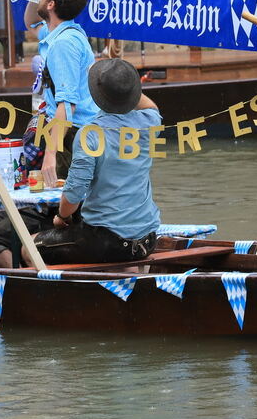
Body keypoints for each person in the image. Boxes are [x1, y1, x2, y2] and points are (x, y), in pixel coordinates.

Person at [25, 58, 160, 266]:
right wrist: (124, 86)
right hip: (147, 238)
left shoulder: (90, 134)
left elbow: (73, 195)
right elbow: (151, 105)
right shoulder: (150, 121)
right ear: (133, 93)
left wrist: (62, 217)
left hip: (106, 241)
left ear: (96, 95)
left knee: (28, 248)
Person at [23, 0, 99, 189]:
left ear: (51, 5)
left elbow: (67, 104)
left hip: (74, 133)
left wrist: (51, 154)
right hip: (71, 129)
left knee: (62, 196)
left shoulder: (64, 43)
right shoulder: (59, 30)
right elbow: (31, 23)